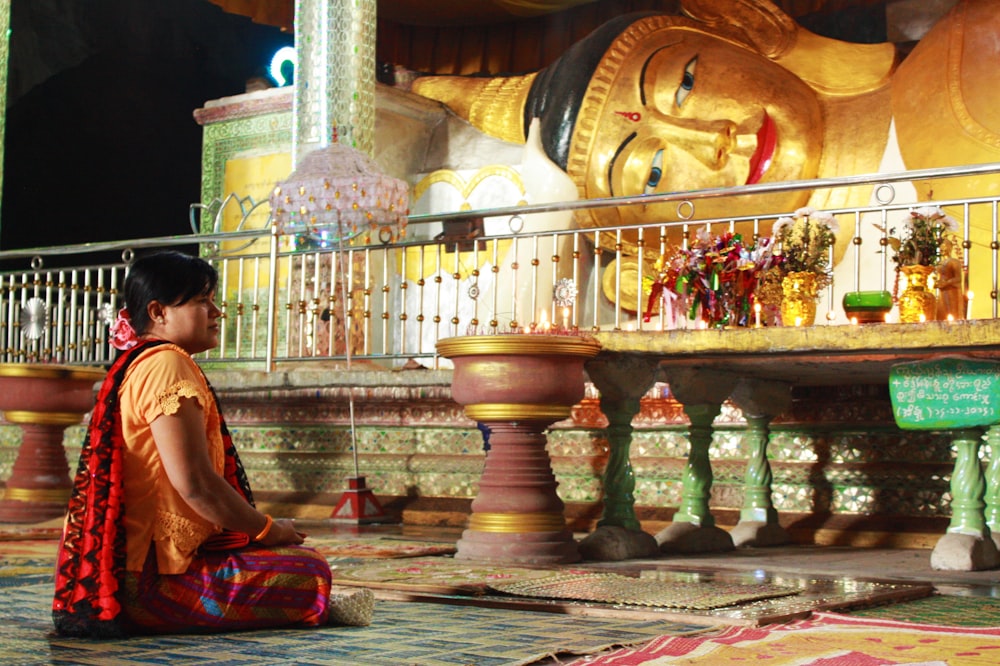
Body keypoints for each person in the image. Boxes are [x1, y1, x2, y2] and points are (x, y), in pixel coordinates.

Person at [52, 251, 372, 637]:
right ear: (158, 312)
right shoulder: (166, 364)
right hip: (152, 583)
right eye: (202, 301)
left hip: (135, 572)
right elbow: (196, 485)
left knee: (287, 561)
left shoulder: (141, 361)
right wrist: (270, 530)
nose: (217, 311)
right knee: (310, 570)